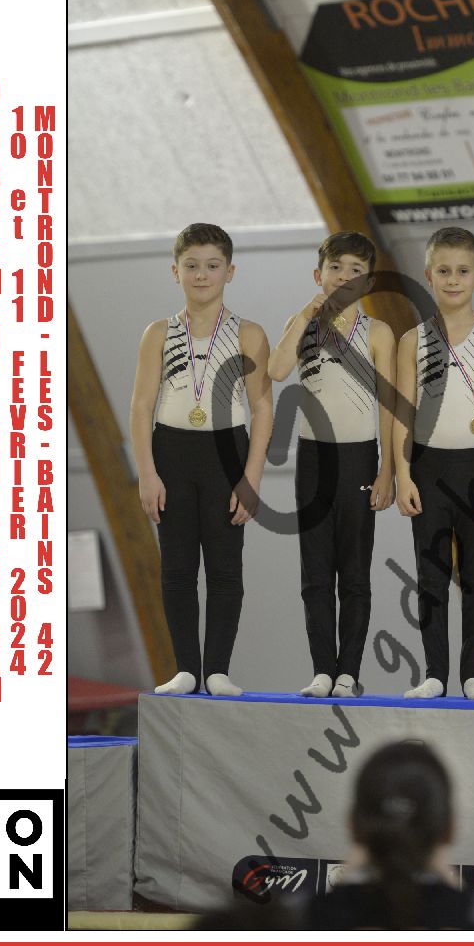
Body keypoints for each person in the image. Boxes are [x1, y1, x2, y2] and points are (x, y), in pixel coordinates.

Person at [129, 223, 273, 697]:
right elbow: (141, 406)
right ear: (175, 271)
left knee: (225, 568)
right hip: (172, 452)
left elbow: (262, 408)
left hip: (226, 453)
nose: (201, 274)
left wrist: (251, 478)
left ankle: (217, 671)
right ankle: (187, 669)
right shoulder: (158, 333)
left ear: (230, 271)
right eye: (191, 266)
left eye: (212, 266)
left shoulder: (249, 334)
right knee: (177, 568)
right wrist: (147, 473)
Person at [268, 231, 395, 698]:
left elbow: (389, 407)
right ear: (318, 274)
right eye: (336, 268)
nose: (344, 277)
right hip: (313, 458)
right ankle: (323, 669)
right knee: (316, 573)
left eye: (355, 271)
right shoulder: (302, 324)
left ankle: (348, 672)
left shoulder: (378, 333)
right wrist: (305, 314)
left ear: (368, 282)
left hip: (360, 456)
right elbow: (276, 371)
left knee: (354, 572)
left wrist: (387, 469)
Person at [394, 227, 474, 700]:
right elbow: (402, 412)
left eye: (463, 271)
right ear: (429, 276)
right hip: (429, 468)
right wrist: (402, 474)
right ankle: (435, 675)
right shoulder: (412, 340)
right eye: (443, 271)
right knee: (432, 577)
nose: (453, 280)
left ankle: (473, 676)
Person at [306, 740, 474, 929]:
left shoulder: (306, 918)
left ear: (353, 826)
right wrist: (455, 884)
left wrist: (340, 884)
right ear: (450, 829)